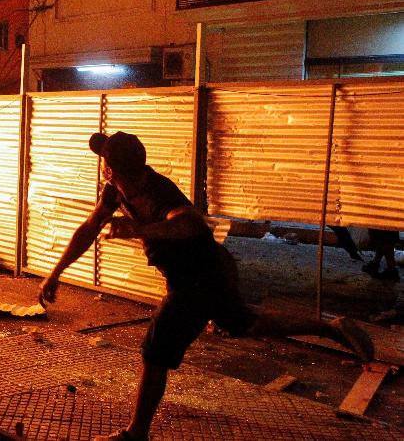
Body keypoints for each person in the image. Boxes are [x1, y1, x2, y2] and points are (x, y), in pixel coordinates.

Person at [37, 131, 375, 441]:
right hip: (199, 274)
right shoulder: (115, 192)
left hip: (203, 276)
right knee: (248, 323)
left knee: (157, 346)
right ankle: (331, 328)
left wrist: (140, 230)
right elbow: (89, 228)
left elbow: (189, 224)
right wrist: (55, 273)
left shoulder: (157, 191)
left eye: (105, 162)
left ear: (111, 169)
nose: (102, 168)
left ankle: (136, 434)